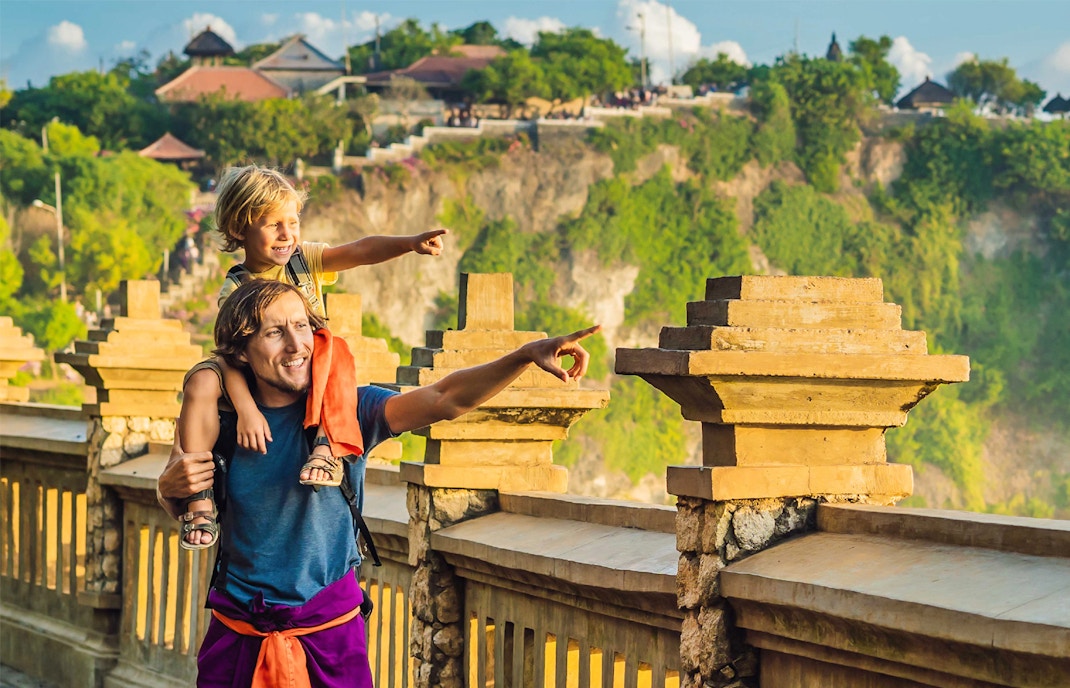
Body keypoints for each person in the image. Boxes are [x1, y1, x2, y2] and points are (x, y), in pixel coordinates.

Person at [156, 279, 598, 687]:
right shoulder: (221, 420)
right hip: (238, 633)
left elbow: (446, 399)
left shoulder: (353, 410)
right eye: (274, 333)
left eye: (301, 327)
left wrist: (523, 356)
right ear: (240, 352)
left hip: (329, 636)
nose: (296, 345)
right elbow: (181, 499)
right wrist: (169, 488)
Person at [179, 164, 449, 550]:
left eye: (293, 222)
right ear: (240, 229)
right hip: (257, 375)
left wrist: (408, 243)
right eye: (273, 225)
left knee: (332, 345)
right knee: (202, 379)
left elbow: (359, 250)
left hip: (310, 369)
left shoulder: (303, 261)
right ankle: (199, 500)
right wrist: (247, 410)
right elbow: (230, 356)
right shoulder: (236, 289)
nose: (287, 234)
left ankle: (326, 447)